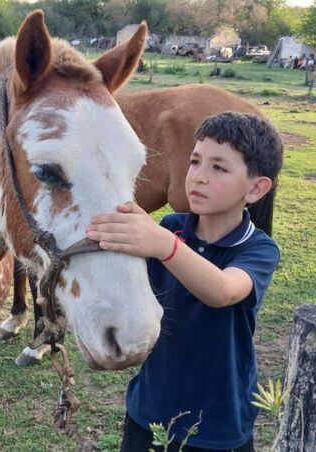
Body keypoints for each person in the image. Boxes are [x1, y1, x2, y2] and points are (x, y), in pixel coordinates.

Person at [87, 112, 283, 452]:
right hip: (149, 411)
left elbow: (222, 291)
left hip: (217, 426)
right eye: (195, 161)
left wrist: (164, 245)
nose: (198, 176)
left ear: (255, 188)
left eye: (218, 168)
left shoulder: (258, 249)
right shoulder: (171, 227)